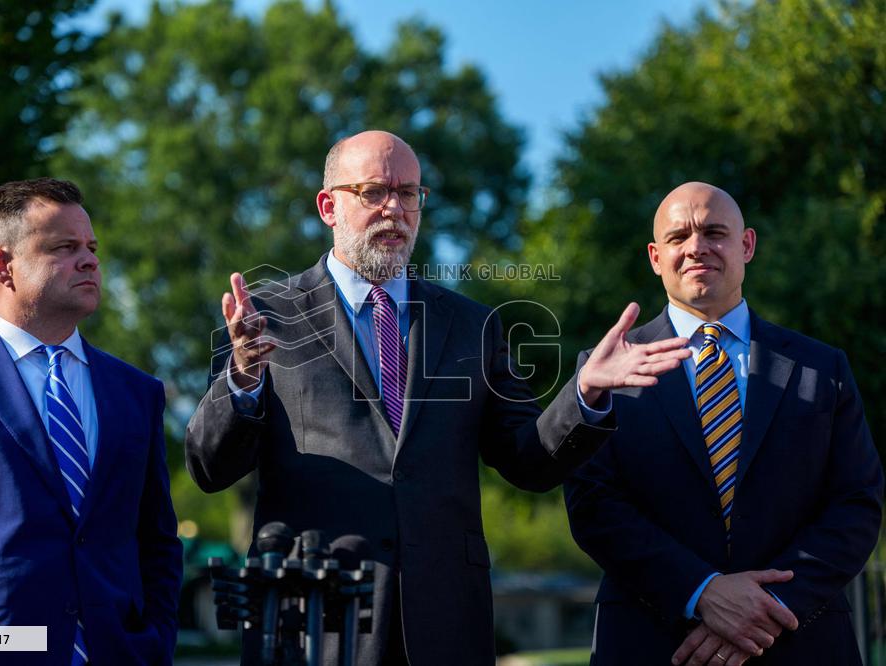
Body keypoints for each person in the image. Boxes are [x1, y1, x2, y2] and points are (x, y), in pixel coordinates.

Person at [185, 130, 691, 664]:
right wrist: (243, 378)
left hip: (444, 621)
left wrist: (584, 391)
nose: (394, 209)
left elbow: (529, 461)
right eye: (374, 192)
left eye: (409, 193)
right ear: (328, 207)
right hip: (313, 624)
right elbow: (209, 467)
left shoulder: (472, 325)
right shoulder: (266, 318)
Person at [564, 181, 883, 666]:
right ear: (655, 257)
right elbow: (592, 505)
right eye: (678, 237)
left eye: (714, 232)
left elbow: (856, 502)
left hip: (801, 640)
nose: (696, 247)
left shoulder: (823, 367)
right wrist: (702, 591)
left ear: (746, 245)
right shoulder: (604, 370)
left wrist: (767, 607)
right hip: (653, 642)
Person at [0, 178, 183, 665]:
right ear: (3, 266)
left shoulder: (137, 392)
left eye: (91, 248)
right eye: (65, 247)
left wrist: (155, 644)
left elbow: (158, 544)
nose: (89, 261)